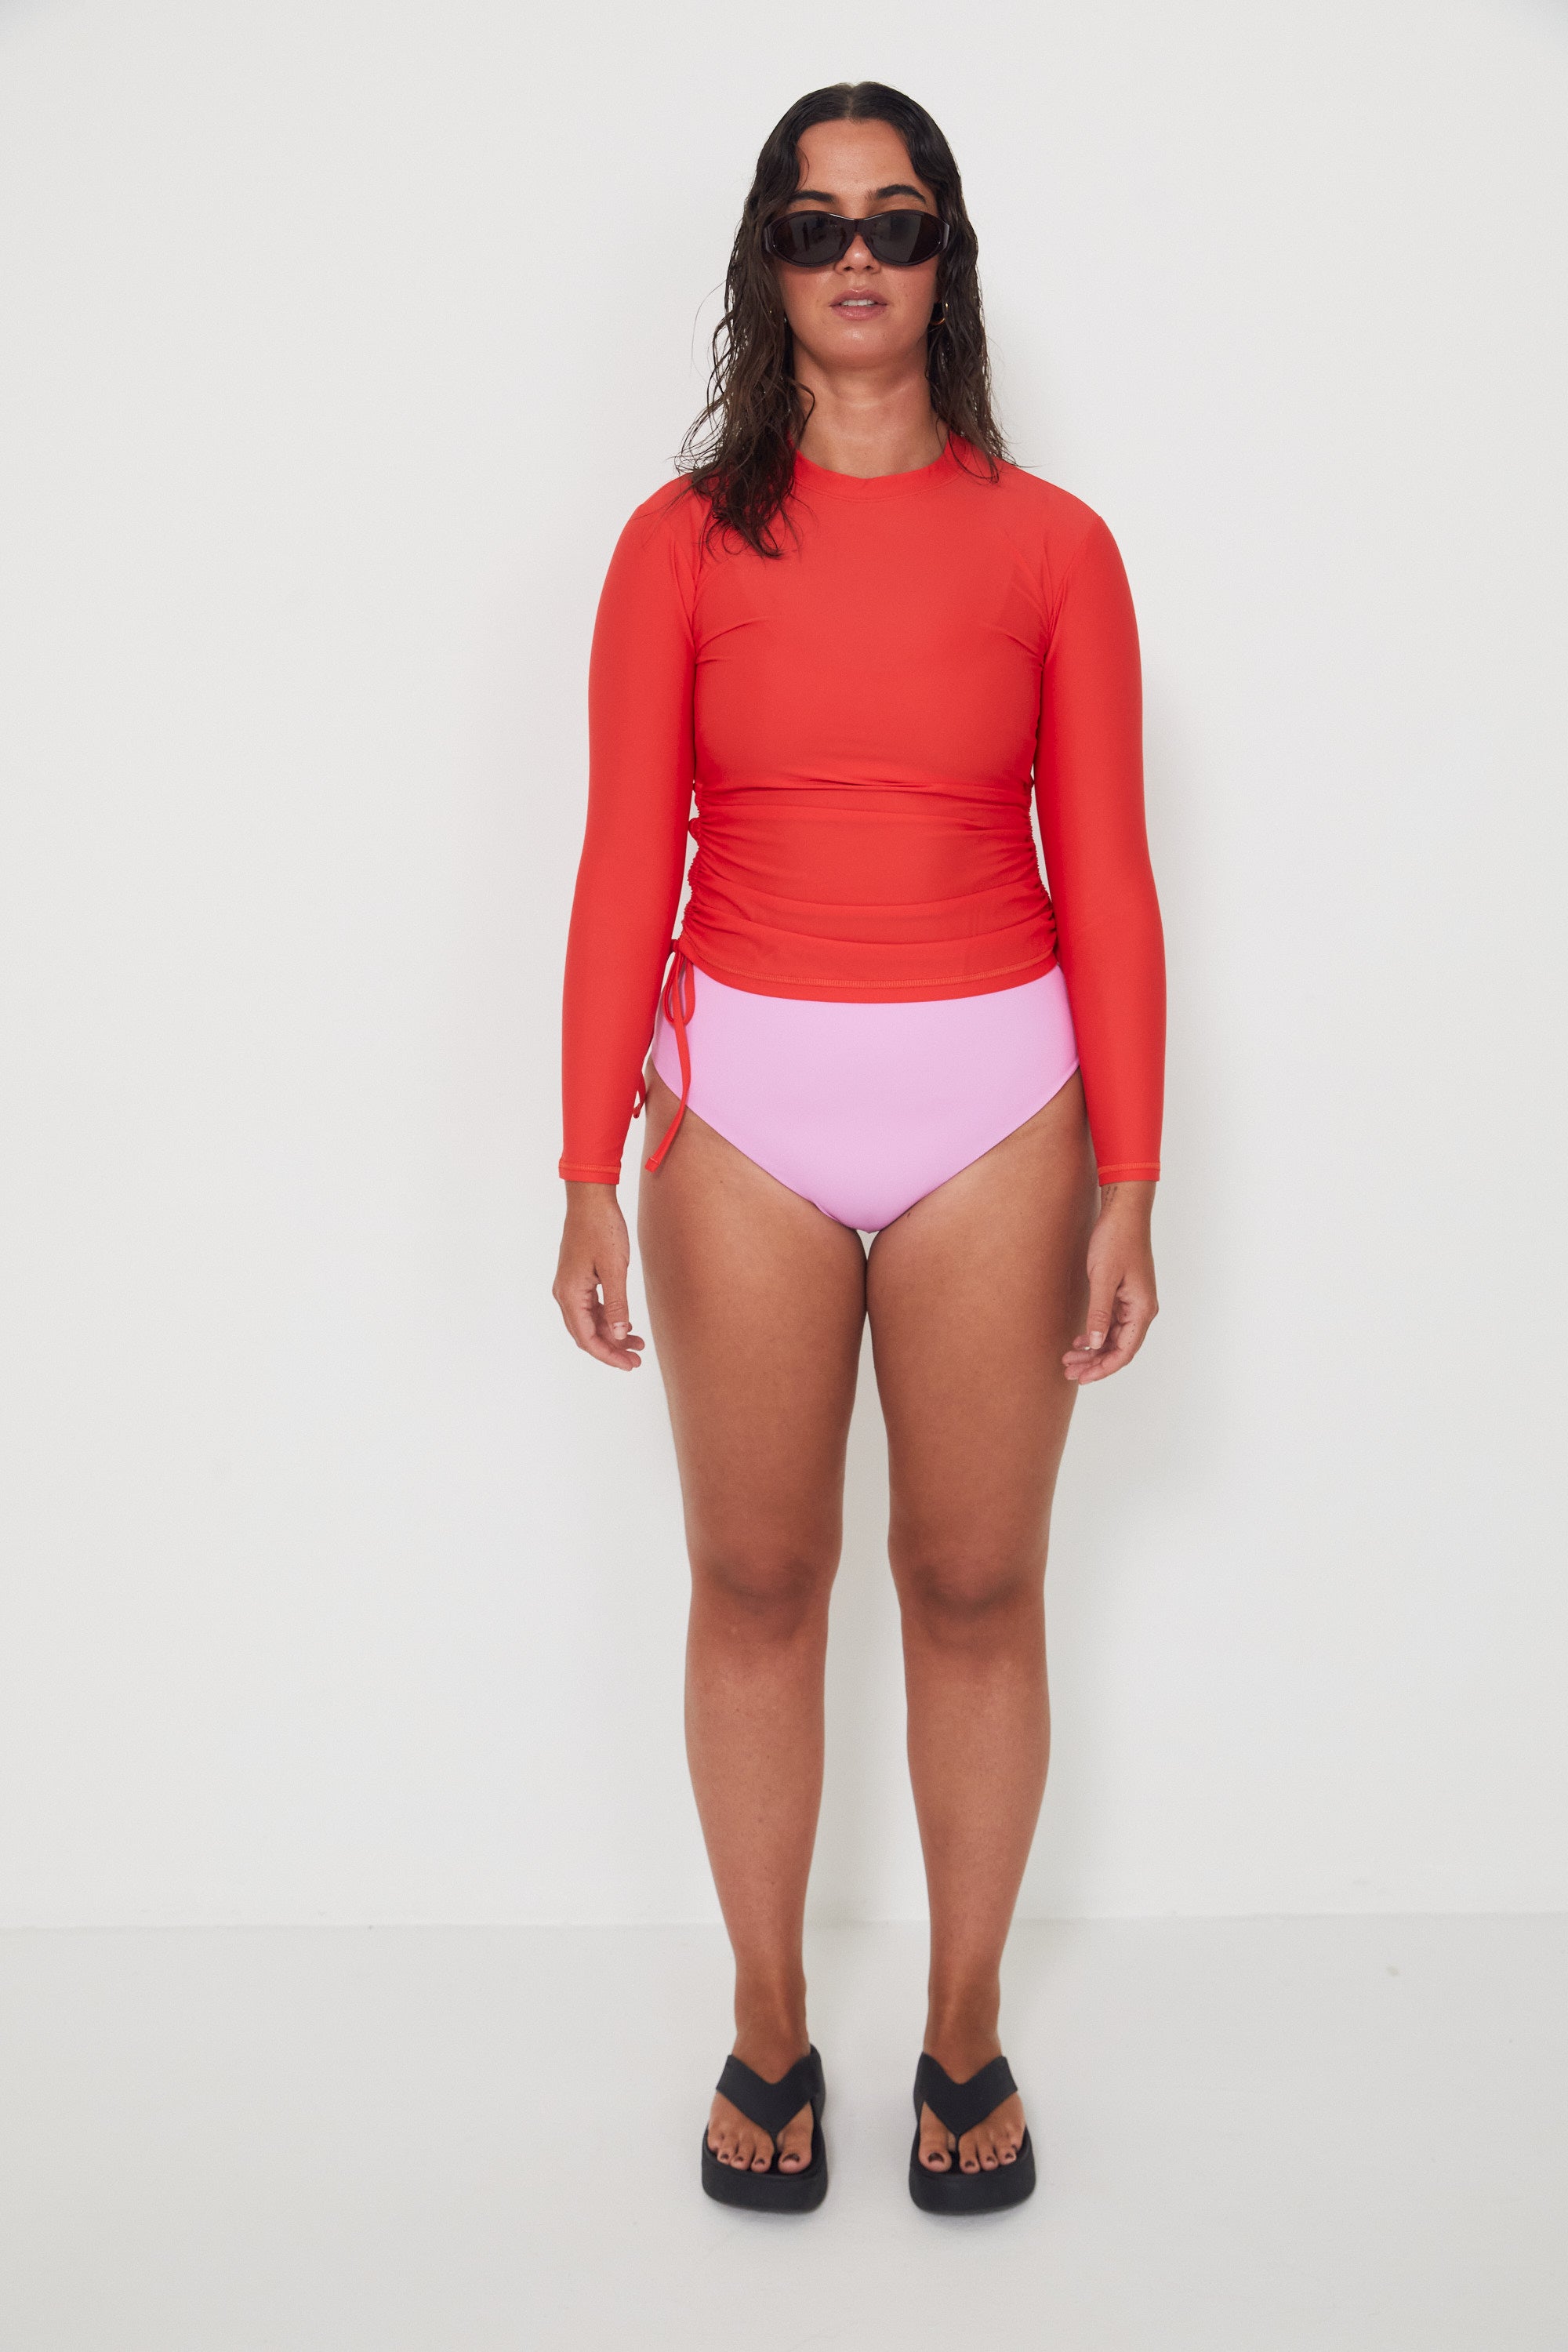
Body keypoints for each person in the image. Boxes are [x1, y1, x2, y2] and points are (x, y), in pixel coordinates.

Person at [553, 79, 1164, 2216]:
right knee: (756, 1575)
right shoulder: (676, 547)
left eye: (897, 225)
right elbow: (629, 850)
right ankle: (768, 2026)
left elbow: (1110, 872)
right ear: (766, 267)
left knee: (978, 1581)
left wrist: (1132, 1177)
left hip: (999, 1103)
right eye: (816, 231)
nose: (859, 263)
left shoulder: (1054, 546)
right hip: (742, 1114)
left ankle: (969, 2030)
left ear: (947, 260)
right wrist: (579, 1162)